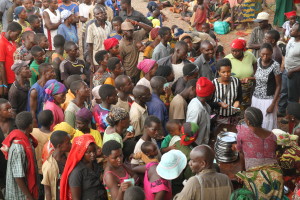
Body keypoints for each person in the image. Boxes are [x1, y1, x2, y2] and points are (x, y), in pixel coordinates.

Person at [236, 107, 284, 200]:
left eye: (245, 118)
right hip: (276, 175)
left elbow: (241, 154)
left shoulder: (242, 135)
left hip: (257, 177)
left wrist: (243, 172)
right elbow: (273, 152)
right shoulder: (272, 135)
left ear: (248, 122)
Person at [1, 111, 39, 200]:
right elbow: (18, 176)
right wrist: (29, 196)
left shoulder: (27, 139)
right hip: (20, 194)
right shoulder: (19, 148)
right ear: (30, 126)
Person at [60, 134, 107, 200]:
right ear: (81, 152)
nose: (93, 154)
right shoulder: (77, 172)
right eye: (88, 152)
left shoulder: (95, 163)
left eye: (94, 151)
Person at [250, 43, 281, 130]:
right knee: (255, 121)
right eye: (263, 54)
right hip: (256, 97)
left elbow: (278, 85)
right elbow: (258, 77)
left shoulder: (275, 66)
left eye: (268, 54)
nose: (265, 56)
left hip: (268, 100)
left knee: (267, 123)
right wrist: (249, 78)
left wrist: (273, 104)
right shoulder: (258, 61)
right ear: (260, 53)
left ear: (272, 53)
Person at [225, 38, 257, 110]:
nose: (234, 53)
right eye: (232, 51)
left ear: (242, 50)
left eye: (237, 51)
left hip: (249, 87)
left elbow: (255, 63)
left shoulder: (249, 55)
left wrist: (254, 76)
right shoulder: (227, 59)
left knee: (248, 106)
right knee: (237, 107)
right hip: (235, 88)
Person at [42, 130, 71, 200]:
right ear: (59, 146)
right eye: (68, 143)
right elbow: (47, 190)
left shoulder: (68, 158)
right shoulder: (49, 166)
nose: (71, 144)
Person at [212, 58, 242, 125]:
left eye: (228, 71)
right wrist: (219, 104)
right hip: (219, 118)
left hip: (233, 117)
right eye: (223, 72)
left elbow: (240, 96)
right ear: (218, 72)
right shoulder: (213, 84)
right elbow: (209, 102)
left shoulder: (236, 81)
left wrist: (238, 101)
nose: (226, 74)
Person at [186, 77, 215, 145]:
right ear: (209, 94)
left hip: (203, 142)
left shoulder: (204, 105)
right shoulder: (196, 110)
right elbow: (190, 134)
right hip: (197, 146)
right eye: (212, 92)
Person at [0, 22, 22, 98]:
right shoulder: (2, 43)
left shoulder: (12, 42)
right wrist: (5, 85)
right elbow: (1, 65)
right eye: (17, 34)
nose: (17, 37)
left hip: (15, 78)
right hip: (8, 81)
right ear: (10, 31)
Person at [87, 6, 112, 70]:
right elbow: (90, 46)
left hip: (108, 57)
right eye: (97, 14)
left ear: (105, 13)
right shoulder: (91, 27)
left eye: (101, 13)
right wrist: (92, 63)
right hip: (97, 59)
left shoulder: (109, 25)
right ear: (94, 16)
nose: (100, 15)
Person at [0, 98, 16, 195]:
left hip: (14, 162)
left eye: (11, 108)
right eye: (7, 109)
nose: (11, 111)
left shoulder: (15, 123)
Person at [31, 110, 53, 177]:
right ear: (52, 122)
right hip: (47, 170)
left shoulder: (33, 132)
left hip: (34, 168)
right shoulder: (53, 136)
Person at [285, 23, 300, 103]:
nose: (290, 30)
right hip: (286, 70)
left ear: (299, 33)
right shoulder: (291, 39)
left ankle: (292, 114)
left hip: (295, 73)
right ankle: (283, 111)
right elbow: (287, 54)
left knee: (293, 96)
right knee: (285, 92)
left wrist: (292, 71)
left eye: (293, 30)